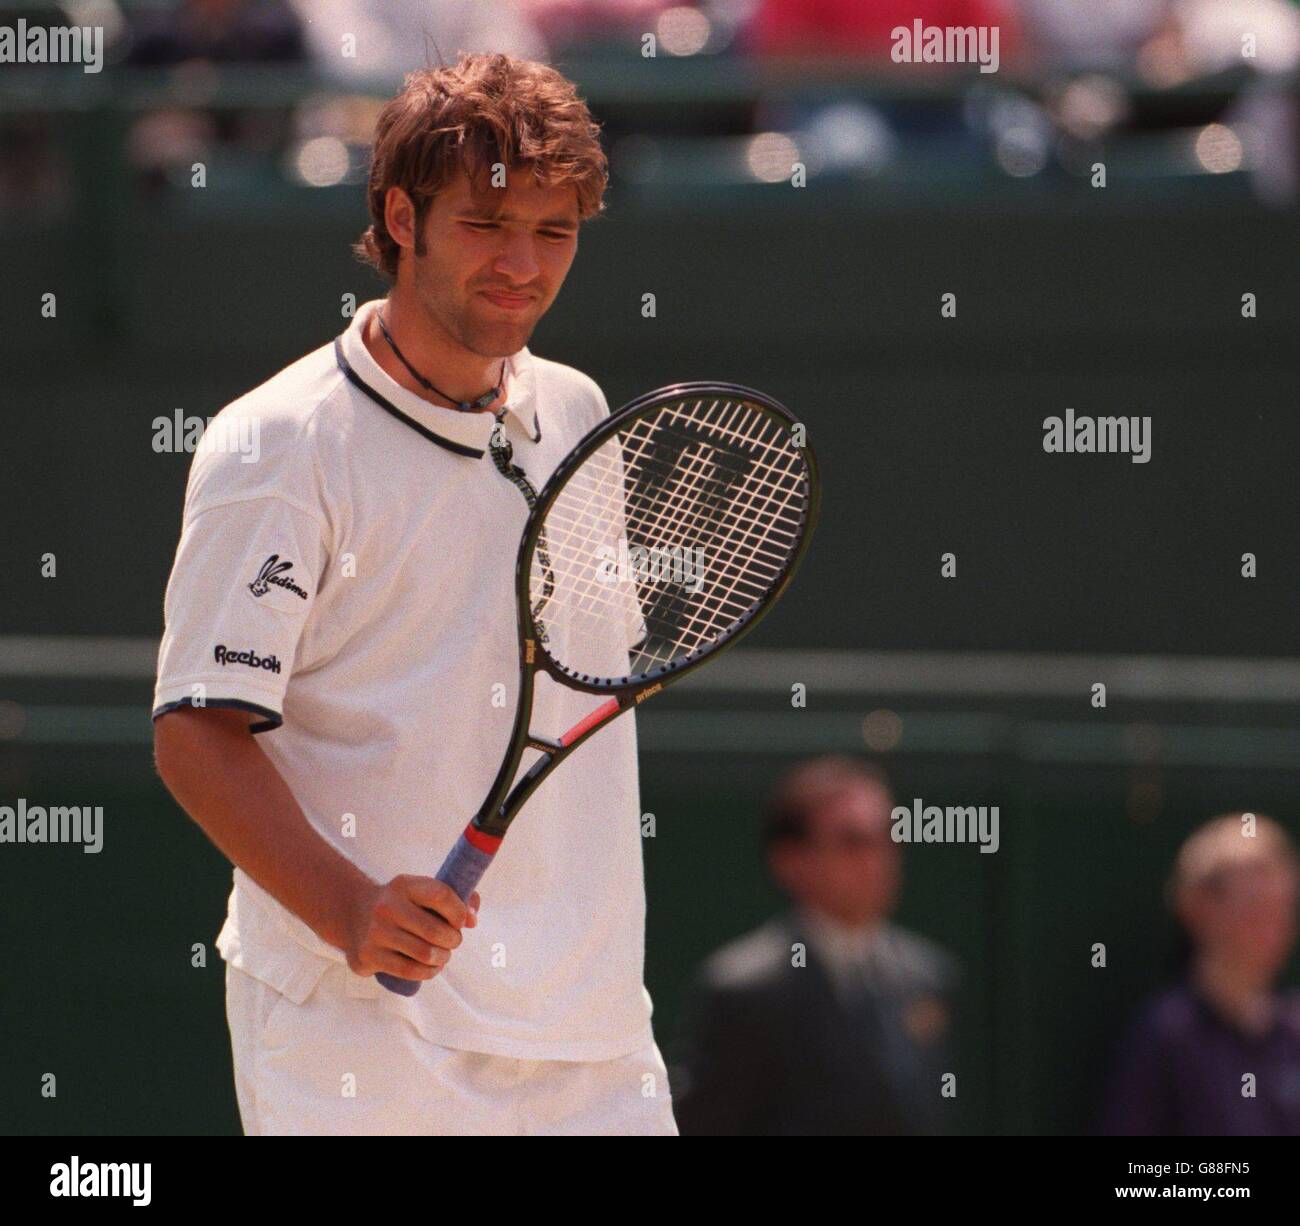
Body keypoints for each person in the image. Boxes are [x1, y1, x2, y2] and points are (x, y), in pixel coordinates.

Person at [152, 52, 676, 1136]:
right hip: (360, 1035)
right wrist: (349, 907)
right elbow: (195, 733)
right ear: (402, 215)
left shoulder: (578, 410)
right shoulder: (280, 442)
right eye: (488, 224)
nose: (522, 264)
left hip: (591, 1035)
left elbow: (594, 677)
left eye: (555, 230)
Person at [673, 757, 960, 1135]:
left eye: (888, 836)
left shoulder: (928, 974)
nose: (878, 860)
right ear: (790, 860)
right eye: (853, 841)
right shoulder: (743, 989)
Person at [1101, 813, 1300, 1136]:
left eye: (1282, 906)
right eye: (1254, 904)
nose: (1272, 925)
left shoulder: (1293, 1030)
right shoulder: (1165, 1037)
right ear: (1196, 907)